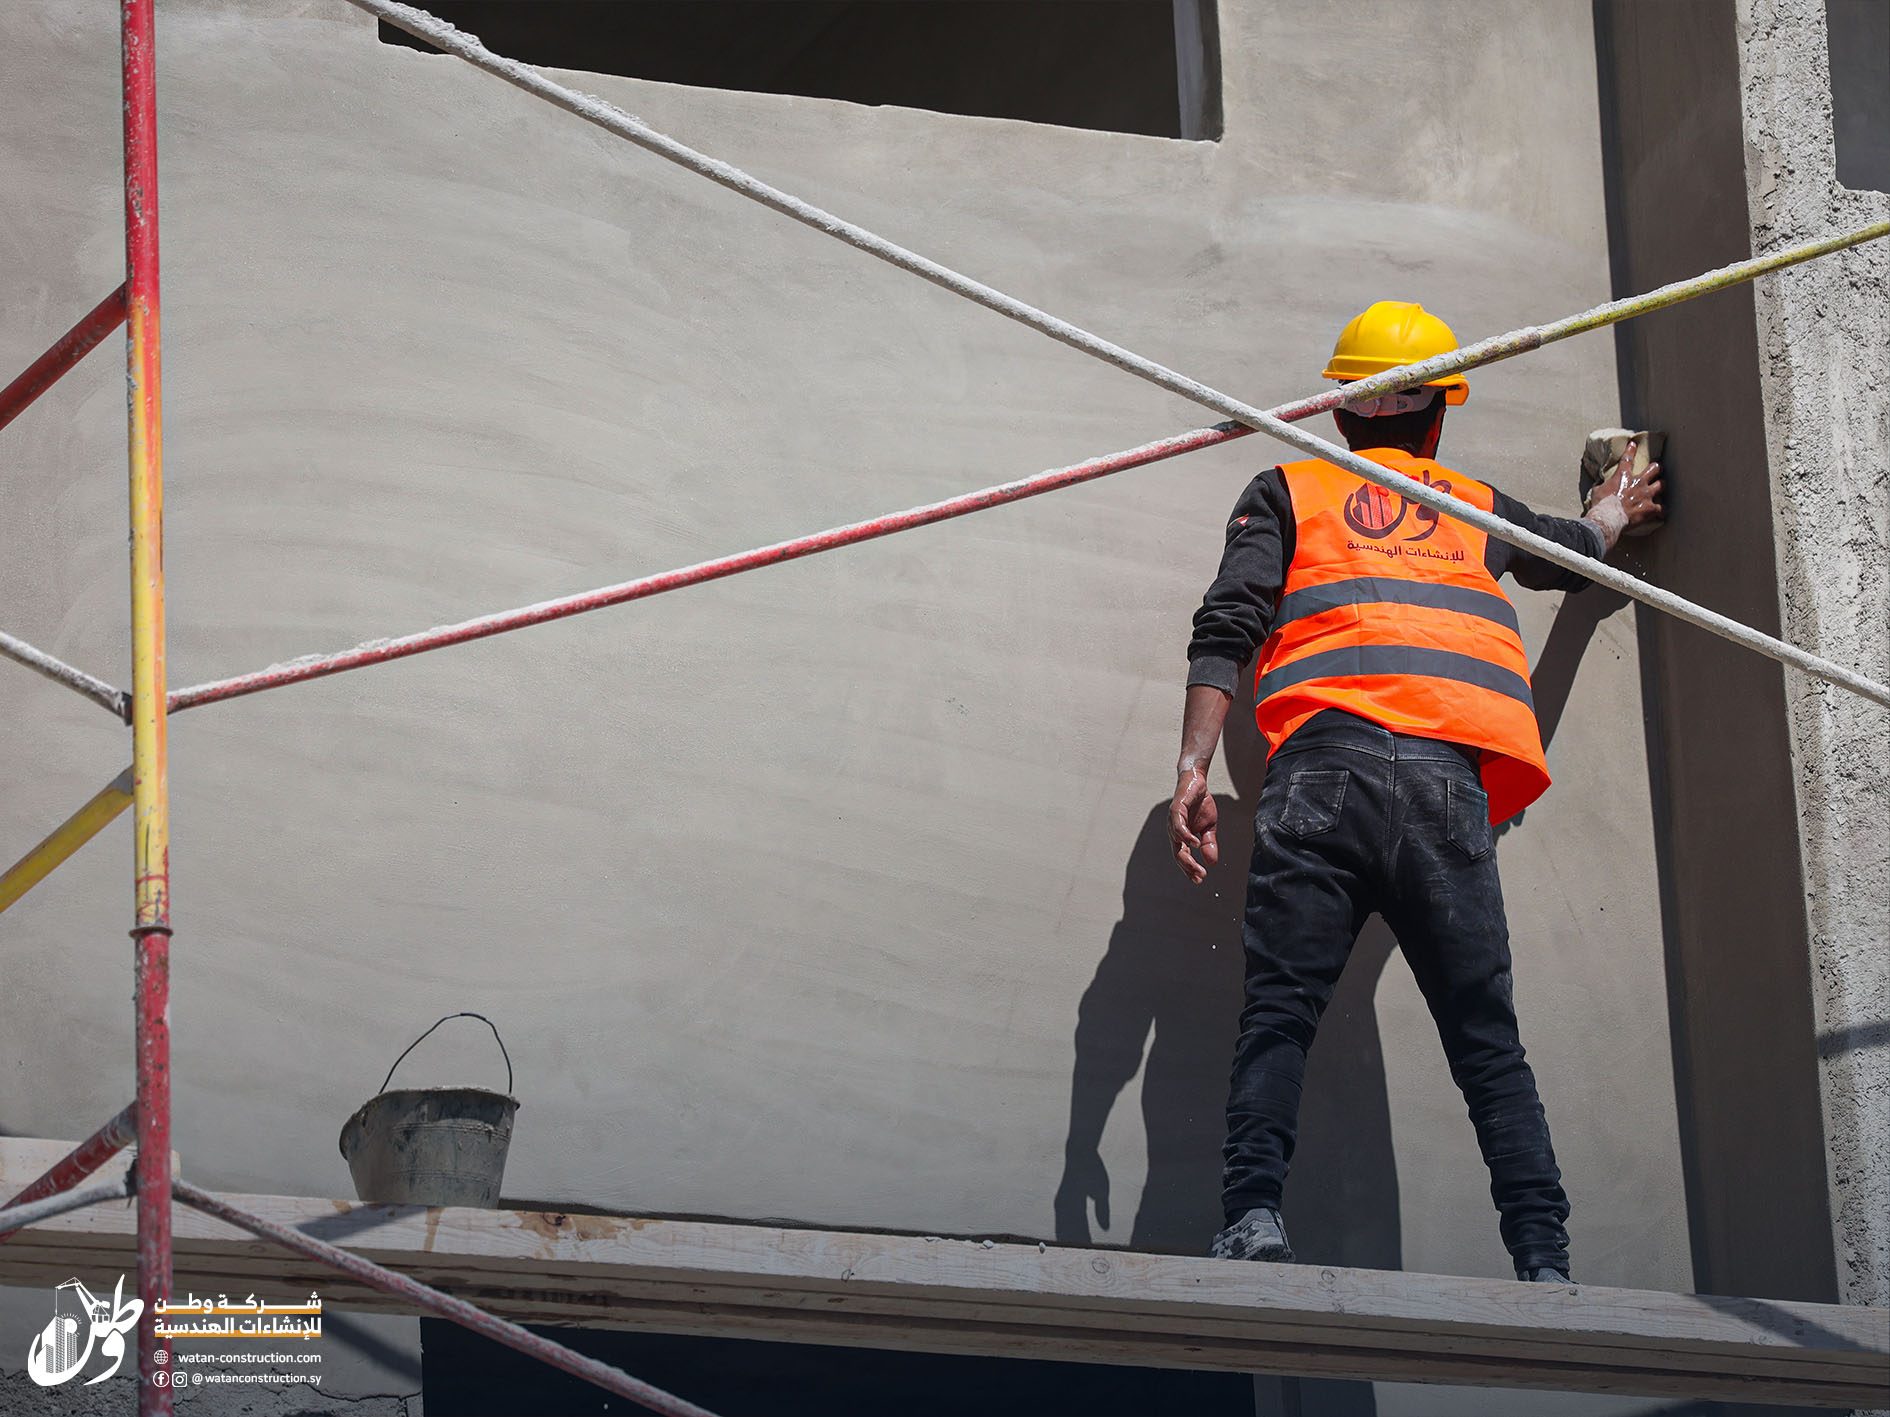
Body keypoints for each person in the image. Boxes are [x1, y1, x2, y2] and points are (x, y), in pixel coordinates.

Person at [1169, 301, 1663, 1282]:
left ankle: (1255, 1216)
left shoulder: (1289, 489)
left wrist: (1192, 764)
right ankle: (1543, 1258)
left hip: (1324, 778)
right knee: (1486, 1040)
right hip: (1446, 790)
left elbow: (1227, 623)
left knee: (1279, 1013)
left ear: (1341, 412)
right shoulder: (1471, 507)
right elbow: (1571, 551)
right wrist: (1619, 505)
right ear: (1436, 417)